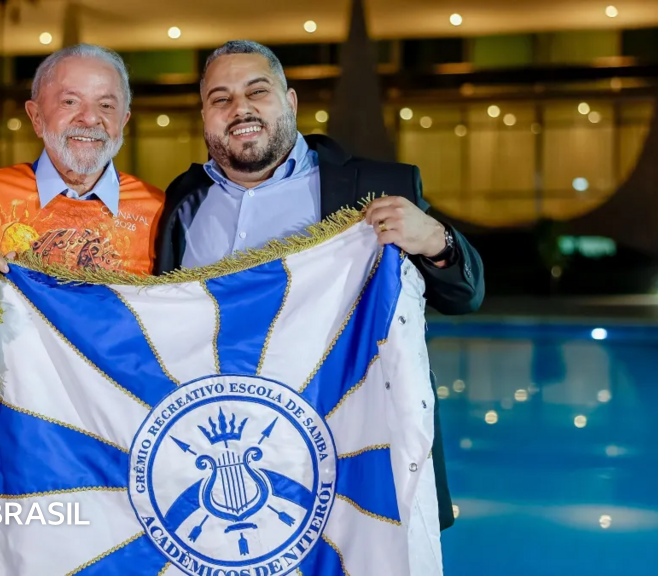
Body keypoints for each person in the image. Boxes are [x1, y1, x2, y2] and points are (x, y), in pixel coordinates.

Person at [155, 39, 485, 568]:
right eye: (220, 98)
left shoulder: (375, 185)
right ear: (204, 118)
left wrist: (435, 240)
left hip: (353, 468)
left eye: (256, 91)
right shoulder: (183, 201)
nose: (239, 108)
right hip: (226, 470)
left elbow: (465, 295)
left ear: (290, 100)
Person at [0, 43, 165, 575]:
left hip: (127, 452)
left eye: (107, 105)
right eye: (70, 102)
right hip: (8, 449)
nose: (90, 119)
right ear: (36, 115)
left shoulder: (157, 211)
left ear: (125, 120)